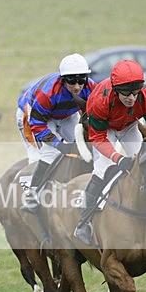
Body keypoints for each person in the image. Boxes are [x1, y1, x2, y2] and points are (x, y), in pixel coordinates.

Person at [73, 59, 146, 246]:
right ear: (115, 90)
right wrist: (117, 157)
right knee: (102, 169)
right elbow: (97, 138)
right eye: (126, 93)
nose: (131, 98)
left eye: (135, 93)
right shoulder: (100, 100)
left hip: (130, 126)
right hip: (105, 130)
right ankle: (84, 223)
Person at [16, 53, 94, 211]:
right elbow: (37, 125)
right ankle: (32, 194)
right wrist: (58, 144)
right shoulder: (48, 93)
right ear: (63, 79)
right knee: (48, 153)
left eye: (81, 80)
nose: (77, 86)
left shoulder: (92, 87)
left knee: (80, 147)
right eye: (72, 81)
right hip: (34, 115)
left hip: (65, 114)